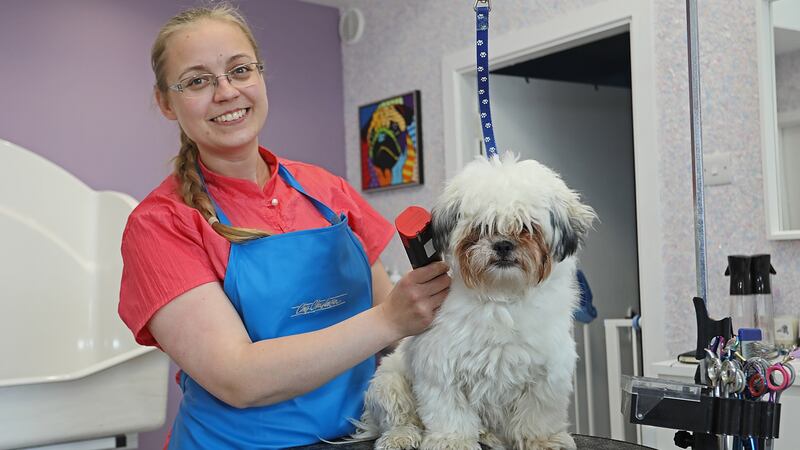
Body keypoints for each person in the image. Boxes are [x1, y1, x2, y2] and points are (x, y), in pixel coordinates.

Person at [118, 4, 451, 449]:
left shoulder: (326, 190)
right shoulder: (160, 225)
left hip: (363, 437)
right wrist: (391, 320)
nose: (226, 92)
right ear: (165, 101)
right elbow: (238, 377)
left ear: (260, 75)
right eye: (197, 80)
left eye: (240, 70)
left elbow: (396, 329)